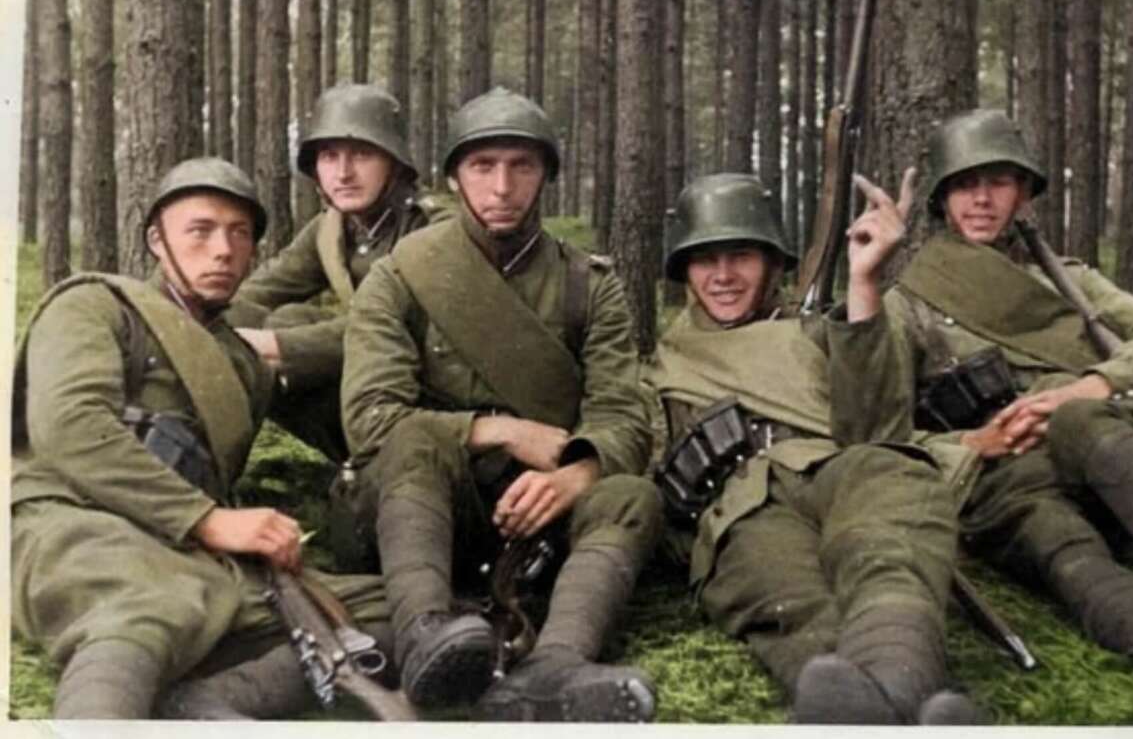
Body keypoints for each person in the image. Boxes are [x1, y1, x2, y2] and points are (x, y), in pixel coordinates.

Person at [10, 158, 391, 720]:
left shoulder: (241, 362)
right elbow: (71, 425)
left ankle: (213, 703)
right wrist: (208, 519)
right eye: (201, 230)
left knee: (381, 608)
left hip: (182, 547)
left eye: (240, 234)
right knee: (141, 608)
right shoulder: (95, 306)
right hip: (69, 520)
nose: (223, 249)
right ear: (156, 241)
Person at [341, 86, 663, 722]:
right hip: (422, 510)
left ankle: (555, 665)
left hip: (539, 517)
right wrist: (504, 431)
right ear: (456, 177)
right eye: (482, 167)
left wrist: (580, 474)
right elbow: (371, 420)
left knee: (634, 497)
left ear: (545, 175)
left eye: (522, 166)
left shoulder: (588, 287)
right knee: (412, 441)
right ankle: (423, 636)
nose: (501, 187)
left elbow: (623, 416)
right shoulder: (401, 275)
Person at [883, 108, 1133, 722]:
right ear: (943, 198)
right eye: (966, 184)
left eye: (999, 182)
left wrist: (1088, 387)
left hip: (1111, 461)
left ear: (1023, 193)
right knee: (1059, 545)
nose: (981, 199)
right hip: (1012, 486)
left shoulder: (1072, 282)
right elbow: (884, 435)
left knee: (1081, 423)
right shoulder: (909, 306)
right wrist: (978, 442)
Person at [646, 172, 980, 724]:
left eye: (742, 256)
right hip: (745, 511)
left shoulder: (820, 333)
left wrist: (865, 285)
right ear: (683, 270)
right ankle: (899, 705)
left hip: (844, 474)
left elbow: (879, 432)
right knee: (789, 600)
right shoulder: (661, 366)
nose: (724, 276)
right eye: (706, 259)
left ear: (774, 264)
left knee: (886, 547)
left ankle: (894, 681)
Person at [229, 83, 450, 463]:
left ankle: (384, 464)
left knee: (284, 334)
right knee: (285, 318)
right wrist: (194, 330)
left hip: (437, 388)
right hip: (375, 381)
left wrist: (276, 346)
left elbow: (400, 326)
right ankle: (357, 464)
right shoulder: (333, 229)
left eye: (362, 154)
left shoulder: (434, 227)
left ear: (395, 163)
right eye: (330, 157)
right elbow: (257, 293)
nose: (343, 173)